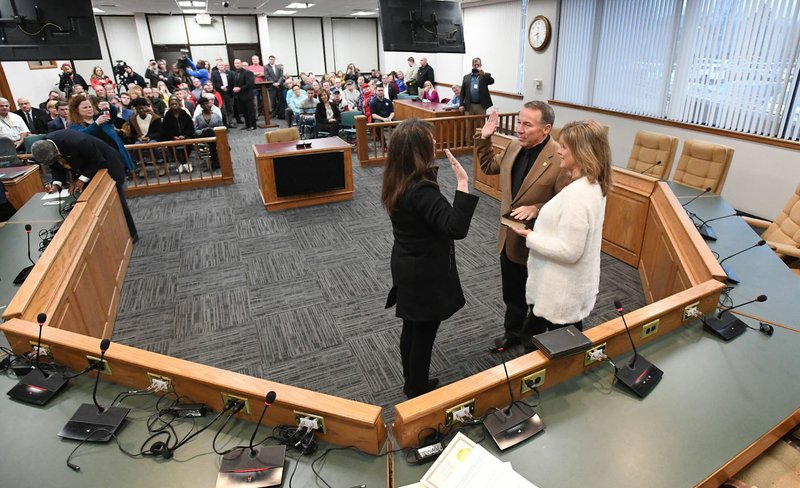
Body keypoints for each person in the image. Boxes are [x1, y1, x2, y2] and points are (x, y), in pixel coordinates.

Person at [382, 118, 479, 399]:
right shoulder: (421, 189)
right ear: (417, 148)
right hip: (425, 272)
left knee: (411, 327)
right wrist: (462, 182)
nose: (435, 143)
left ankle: (411, 381)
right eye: (430, 140)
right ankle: (417, 389)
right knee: (423, 334)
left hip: (406, 263)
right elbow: (455, 227)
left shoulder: (397, 178)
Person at [475, 102, 572, 349]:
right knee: (513, 294)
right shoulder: (513, 146)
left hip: (538, 243)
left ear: (546, 129)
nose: (519, 129)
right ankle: (513, 333)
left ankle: (532, 343)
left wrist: (538, 208)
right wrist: (485, 138)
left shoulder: (560, 157)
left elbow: (565, 204)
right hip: (508, 238)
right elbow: (488, 166)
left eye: (527, 124)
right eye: (519, 122)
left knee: (538, 299)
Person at [508, 120, 611, 344]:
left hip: (561, 291)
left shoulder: (578, 195)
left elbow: (570, 251)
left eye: (564, 147)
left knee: (563, 349)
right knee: (545, 338)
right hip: (563, 287)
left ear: (581, 152)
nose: (559, 151)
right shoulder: (592, 186)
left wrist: (531, 237)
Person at [32, 131, 138, 242]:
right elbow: (55, 167)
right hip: (88, 167)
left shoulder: (78, 141)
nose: (52, 162)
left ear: (55, 151)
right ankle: (110, 236)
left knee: (117, 200)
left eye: (53, 159)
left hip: (107, 163)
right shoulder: (44, 146)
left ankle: (131, 235)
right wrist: (56, 184)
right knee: (94, 204)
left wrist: (81, 180)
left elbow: (97, 161)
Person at [67, 95, 135, 173]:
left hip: (117, 157)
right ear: (76, 110)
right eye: (85, 108)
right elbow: (81, 136)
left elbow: (113, 114)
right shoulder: (74, 125)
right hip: (100, 163)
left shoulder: (100, 117)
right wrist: (96, 124)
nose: (89, 109)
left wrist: (109, 105)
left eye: (90, 107)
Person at [161, 96, 196, 174]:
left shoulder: (185, 114)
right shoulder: (167, 116)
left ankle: (184, 162)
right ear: (169, 105)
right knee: (171, 146)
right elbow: (165, 130)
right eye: (172, 104)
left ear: (178, 104)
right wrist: (173, 137)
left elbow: (190, 128)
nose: (174, 105)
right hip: (173, 138)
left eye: (175, 103)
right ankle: (183, 163)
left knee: (189, 144)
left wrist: (185, 136)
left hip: (185, 137)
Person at [193, 96, 224, 172]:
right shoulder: (198, 117)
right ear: (201, 106)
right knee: (209, 132)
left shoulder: (216, 116)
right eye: (203, 104)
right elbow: (196, 130)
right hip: (204, 135)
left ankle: (214, 162)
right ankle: (215, 162)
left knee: (212, 136)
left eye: (206, 103)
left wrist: (213, 130)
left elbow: (221, 127)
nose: (206, 105)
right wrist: (204, 130)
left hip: (215, 135)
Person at [233, 58, 257, 130]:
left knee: (250, 111)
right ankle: (247, 125)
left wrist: (240, 89)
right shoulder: (235, 73)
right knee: (244, 111)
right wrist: (234, 88)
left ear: (241, 64)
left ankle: (253, 125)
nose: (237, 65)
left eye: (238, 63)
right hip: (239, 95)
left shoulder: (248, 72)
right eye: (235, 63)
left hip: (247, 95)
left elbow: (249, 84)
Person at [211, 60, 236, 127]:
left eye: (222, 65)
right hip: (220, 94)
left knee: (230, 108)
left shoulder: (230, 73)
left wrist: (229, 89)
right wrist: (221, 87)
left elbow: (233, 82)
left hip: (229, 93)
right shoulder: (214, 73)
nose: (221, 66)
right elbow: (214, 83)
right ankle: (225, 123)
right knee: (223, 109)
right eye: (219, 65)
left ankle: (230, 122)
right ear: (217, 66)